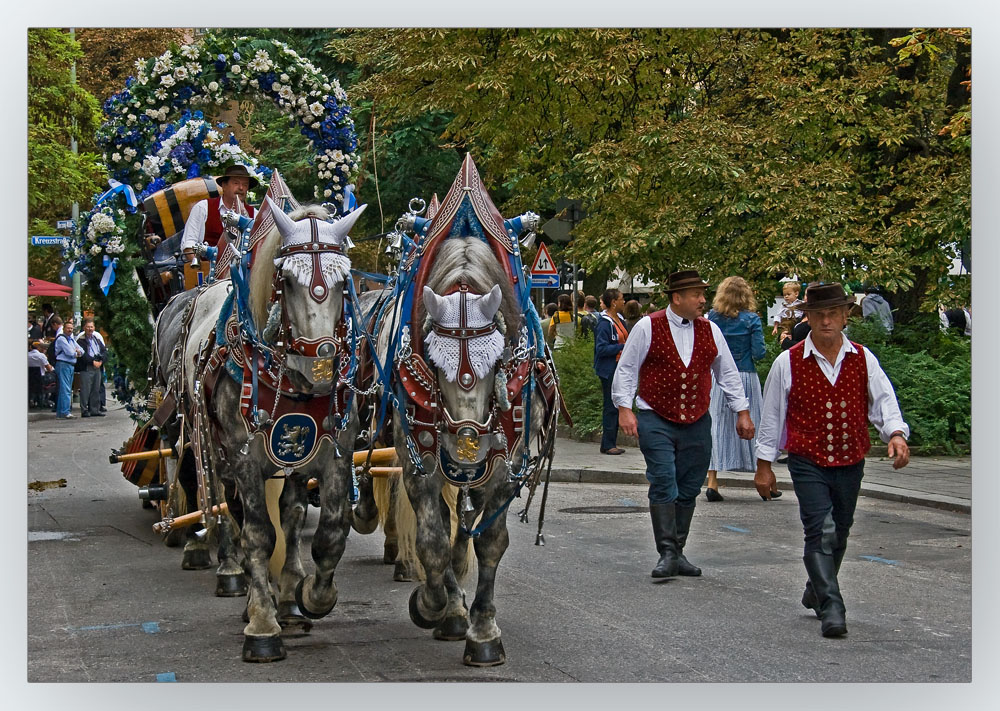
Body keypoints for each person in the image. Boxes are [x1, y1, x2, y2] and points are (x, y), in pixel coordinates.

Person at [754, 282, 910, 638]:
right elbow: (772, 416)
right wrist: (764, 465)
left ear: (844, 317)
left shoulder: (863, 357)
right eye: (819, 315)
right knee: (819, 531)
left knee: (840, 531)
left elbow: (883, 401)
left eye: (833, 314)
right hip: (807, 458)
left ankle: (816, 590)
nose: (826, 321)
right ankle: (833, 606)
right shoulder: (787, 362)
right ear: (808, 319)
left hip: (850, 457)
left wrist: (896, 434)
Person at [614, 270, 755, 579]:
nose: (704, 300)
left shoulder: (711, 330)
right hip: (656, 417)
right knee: (664, 479)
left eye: (703, 294)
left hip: (696, 420)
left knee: (690, 485)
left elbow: (727, 373)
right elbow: (626, 369)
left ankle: (678, 550)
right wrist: (624, 408)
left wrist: (741, 411)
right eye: (697, 295)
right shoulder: (648, 327)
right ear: (677, 298)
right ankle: (666, 551)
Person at [704, 276, 772, 501]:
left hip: (718, 375)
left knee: (717, 426)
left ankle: (712, 481)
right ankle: (767, 479)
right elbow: (759, 352)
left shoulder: (712, 317)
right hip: (744, 375)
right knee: (754, 426)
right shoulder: (751, 320)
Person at [180, 164, 258, 261]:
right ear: (224, 186)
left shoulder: (254, 214)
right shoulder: (203, 208)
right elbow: (189, 244)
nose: (241, 188)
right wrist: (199, 271)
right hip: (209, 272)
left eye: (245, 185)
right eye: (236, 183)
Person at [593, 288, 629, 455]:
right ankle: (608, 444)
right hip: (610, 369)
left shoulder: (619, 320)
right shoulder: (604, 323)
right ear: (614, 302)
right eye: (621, 299)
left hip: (618, 367)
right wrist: (622, 347)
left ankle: (611, 442)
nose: (624, 302)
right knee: (611, 404)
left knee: (616, 404)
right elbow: (601, 348)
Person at [76, 317, 107, 417]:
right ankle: (84, 409)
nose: (90, 329)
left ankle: (95, 409)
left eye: (92, 327)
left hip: (98, 366)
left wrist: (101, 360)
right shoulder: (81, 340)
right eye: (88, 327)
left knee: (96, 389)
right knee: (85, 389)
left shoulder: (97, 339)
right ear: (84, 328)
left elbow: (104, 351)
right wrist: (92, 361)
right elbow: (82, 354)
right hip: (87, 367)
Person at [53, 320, 83, 419]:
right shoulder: (62, 339)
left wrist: (77, 352)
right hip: (63, 364)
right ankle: (65, 411)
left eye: (71, 328)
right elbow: (70, 352)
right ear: (64, 329)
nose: (70, 330)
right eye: (68, 328)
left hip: (70, 365)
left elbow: (82, 351)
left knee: (67, 388)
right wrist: (76, 352)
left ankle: (62, 412)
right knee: (65, 389)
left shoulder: (71, 339)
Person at [28, 340, 53, 408]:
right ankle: (47, 400)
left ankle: (32, 399)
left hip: (29, 379)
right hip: (41, 379)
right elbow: (49, 369)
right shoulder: (41, 356)